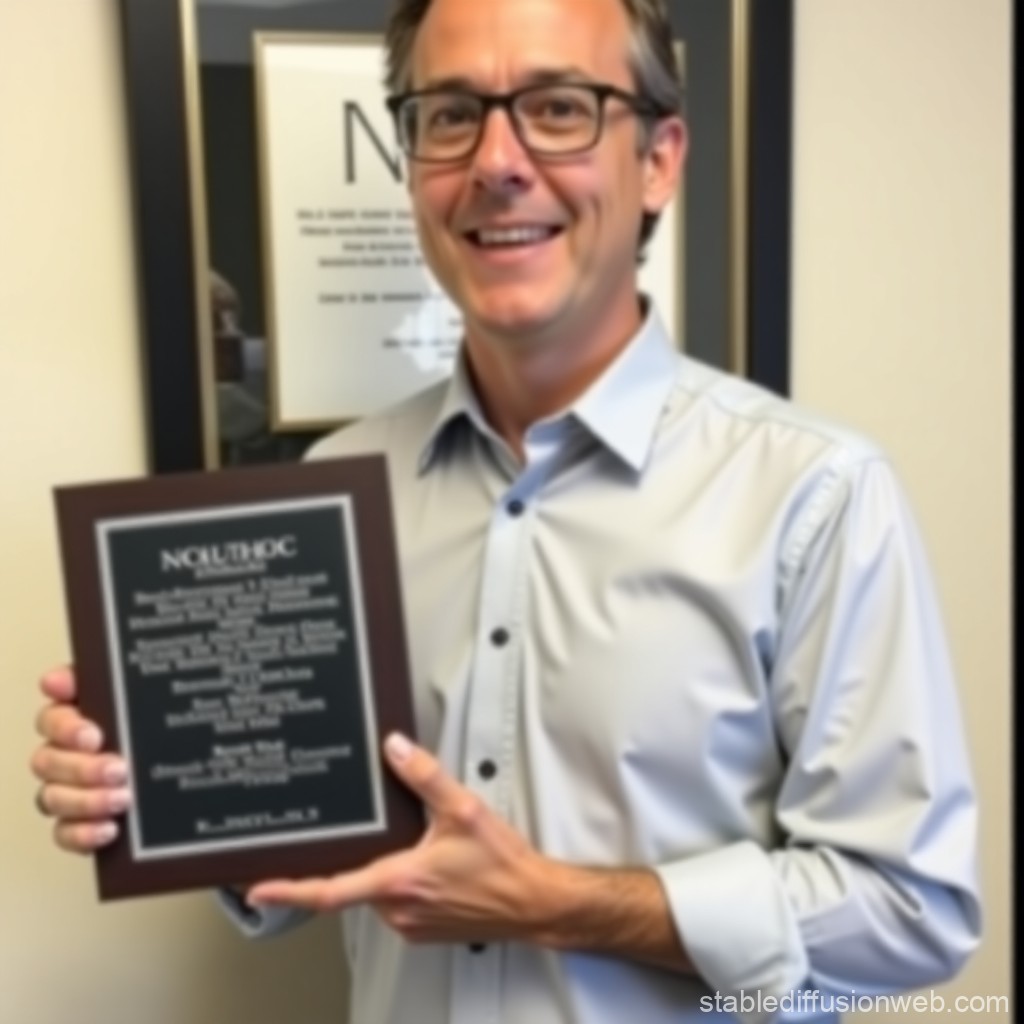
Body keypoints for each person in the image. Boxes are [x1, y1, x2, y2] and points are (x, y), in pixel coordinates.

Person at [31, 0, 980, 1021]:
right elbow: (306, 850)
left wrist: (562, 904)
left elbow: (911, 908)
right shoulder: (335, 485)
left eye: (559, 107)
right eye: (449, 115)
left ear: (658, 159)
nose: (496, 160)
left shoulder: (815, 495)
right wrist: (169, 785)